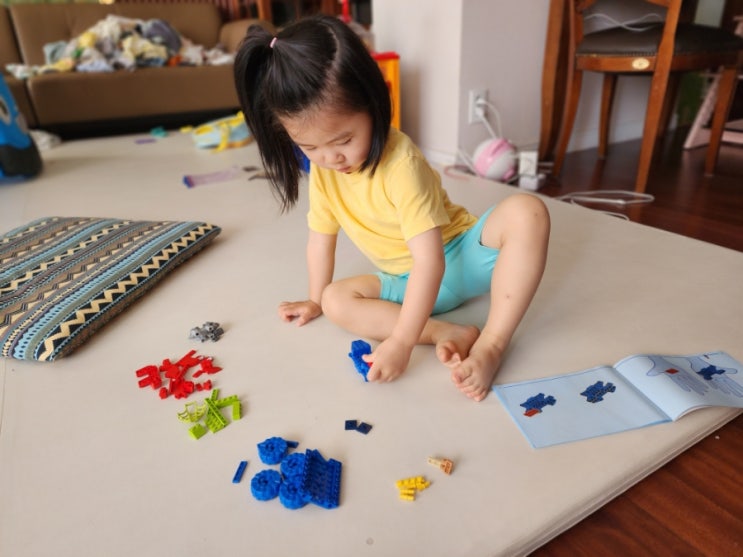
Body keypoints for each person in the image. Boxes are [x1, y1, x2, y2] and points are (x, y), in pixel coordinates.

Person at [234, 15, 550, 401]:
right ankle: (445, 331)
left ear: (374, 104)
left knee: (527, 211)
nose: (331, 158)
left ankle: (492, 345)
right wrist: (315, 299)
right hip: (404, 282)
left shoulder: (401, 164)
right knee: (335, 300)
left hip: (460, 257)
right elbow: (320, 241)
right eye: (309, 147)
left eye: (343, 140)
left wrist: (401, 342)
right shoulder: (324, 172)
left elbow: (431, 262)